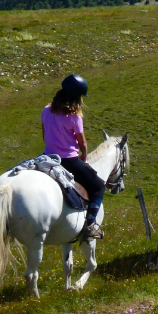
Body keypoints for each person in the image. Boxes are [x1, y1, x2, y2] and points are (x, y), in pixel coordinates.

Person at [41, 74, 106, 243]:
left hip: (47, 157)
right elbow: (82, 142)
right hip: (68, 161)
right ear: (77, 99)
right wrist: (83, 156)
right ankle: (91, 226)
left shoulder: (46, 110)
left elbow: (44, 135)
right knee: (99, 186)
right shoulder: (74, 117)